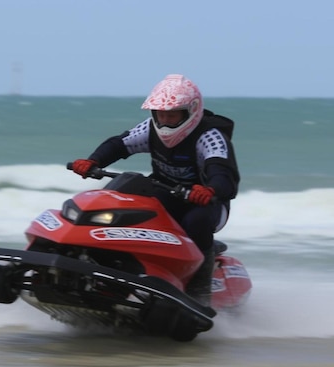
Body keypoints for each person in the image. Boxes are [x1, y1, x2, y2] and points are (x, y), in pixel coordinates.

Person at [71, 74, 240, 306]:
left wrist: (210, 189)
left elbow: (224, 176)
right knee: (125, 206)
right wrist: (93, 161)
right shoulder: (150, 129)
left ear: (191, 112)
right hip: (166, 193)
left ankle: (199, 295)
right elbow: (120, 144)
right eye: (161, 114)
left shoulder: (209, 136)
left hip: (206, 203)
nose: (165, 121)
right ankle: (110, 270)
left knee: (196, 221)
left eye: (172, 115)